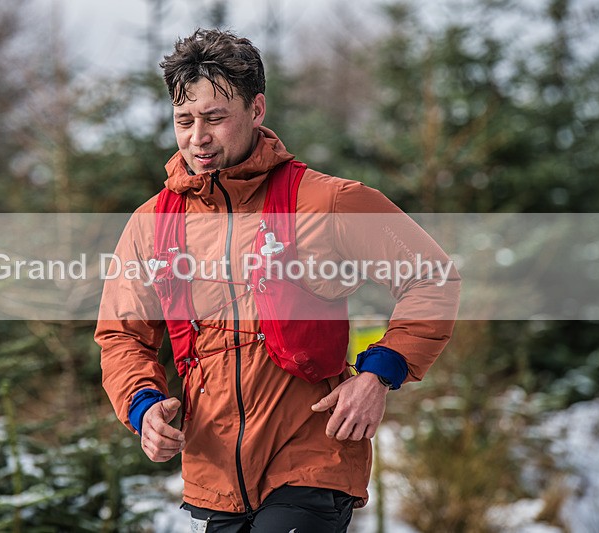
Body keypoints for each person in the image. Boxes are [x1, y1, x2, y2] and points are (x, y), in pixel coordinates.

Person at [95, 28, 460, 532]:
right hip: (216, 473)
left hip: (313, 458)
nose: (197, 137)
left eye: (215, 118)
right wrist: (144, 405)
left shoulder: (328, 201)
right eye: (184, 120)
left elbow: (432, 277)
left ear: (257, 109)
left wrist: (379, 373)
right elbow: (121, 334)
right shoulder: (151, 222)